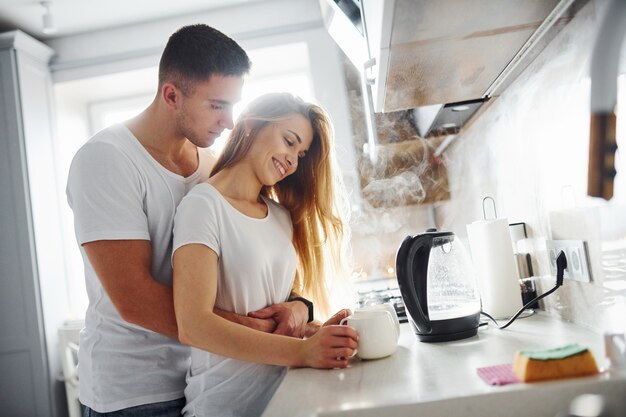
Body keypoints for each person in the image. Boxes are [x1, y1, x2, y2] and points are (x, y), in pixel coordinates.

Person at [66, 24, 312, 417]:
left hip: (203, 378)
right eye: (217, 105)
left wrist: (299, 308)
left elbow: (249, 266)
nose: (230, 122)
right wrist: (255, 331)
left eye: (233, 106)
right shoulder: (106, 160)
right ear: (171, 95)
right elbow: (134, 300)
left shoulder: (210, 168)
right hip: (136, 393)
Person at [172, 92, 359, 417]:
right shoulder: (203, 206)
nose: (293, 160)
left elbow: (269, 305)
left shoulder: (281, 217)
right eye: (289, 141)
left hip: (284, 400)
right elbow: (193, 326)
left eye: (300, 154)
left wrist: (310, 326)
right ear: (251, 126)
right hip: (223, 405)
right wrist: (302, 352)